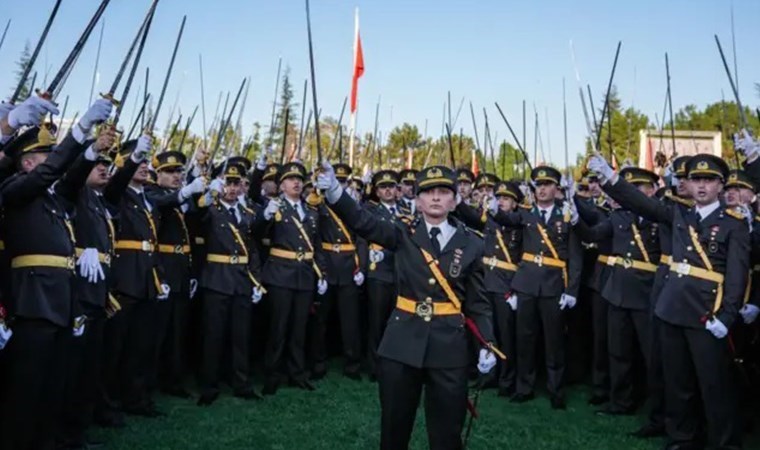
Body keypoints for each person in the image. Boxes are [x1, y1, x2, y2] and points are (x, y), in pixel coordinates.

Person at [317, 163, 497, 450]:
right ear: (417, 200)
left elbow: (478, 303)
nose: (436, 198)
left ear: (454, 200)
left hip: (449, 346)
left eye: (443, 192)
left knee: (447, 433)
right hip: (402, 343)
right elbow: (364, 222)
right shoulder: (402, 231)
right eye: (428, 192)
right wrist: (337, 193)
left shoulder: (472, 243)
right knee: (394, 428)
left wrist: (487, 343)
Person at [588, 152, 748, 449]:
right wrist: (611, 179)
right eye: (696, 179)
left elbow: (737, 276)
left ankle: (725, 443)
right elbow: (641, 203)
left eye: (709, 181)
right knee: (678, 382)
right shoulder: (678, 213)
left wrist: (727, 316)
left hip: (706, 314)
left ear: (721, 186)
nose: (701, 186)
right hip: (671, 309)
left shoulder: (733, 223)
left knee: (714, 386)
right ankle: (681, 437)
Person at [0, 97, 111, 450]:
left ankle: (49, 442)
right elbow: (53, 172)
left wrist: (89, 148)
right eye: (47, 158)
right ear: (28, 163)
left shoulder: (52, 198)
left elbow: (71, 176)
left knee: (53, 385)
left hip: (60, 300)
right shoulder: (16, 189)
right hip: (33, 301)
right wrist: (77, 132)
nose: (54, 163)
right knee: (27, 389)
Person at [489, 166, 583, 409]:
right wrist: (492, 209)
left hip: (553, 286)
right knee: (525, 339)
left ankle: (556, 390)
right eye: (537, 185)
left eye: (547, 184)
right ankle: (524, 387)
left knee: (554, 342)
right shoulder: (525, 214)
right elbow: (506, 218)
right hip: (527, 284)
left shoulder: (566, 216)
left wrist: (571, 290)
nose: (541, 189)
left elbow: (575, 257)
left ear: (556, 188)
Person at [574, 167, 661, 417]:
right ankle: (620, 401)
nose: (631, 194)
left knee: (651, 355)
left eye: (638, 189)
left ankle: (657, 408)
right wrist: (575, 221)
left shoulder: (660, 215)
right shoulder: (619, 216)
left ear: (652, 190)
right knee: (618, 351)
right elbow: (592, 234)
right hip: (618, 291)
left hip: (647, 292)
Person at [196, 163, 264, 405]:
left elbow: (252, 250)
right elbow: (195, 217)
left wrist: (256, 280)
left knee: (240, 336)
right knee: (213, 336)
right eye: (228, 183)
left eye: (236, 183)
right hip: (217, 278)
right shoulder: (210, 211)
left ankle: (241, 384)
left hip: (241, 281)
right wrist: (206, 193)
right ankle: (209, 386)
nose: (233, 188)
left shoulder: (247, 215)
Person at [259, 161, 328, 395]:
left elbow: (316, 245)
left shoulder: (311, 210)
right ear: (281, 185)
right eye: (290, 179)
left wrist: (322, 272)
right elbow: (256, 234)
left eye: (299, 179)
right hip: (280, 273)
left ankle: (297, 374)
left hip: (305, 275)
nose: (296, 183)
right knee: (278, 328)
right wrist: (265, 216)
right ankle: (272, 375)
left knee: (299, 329)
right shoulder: (275, 208)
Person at [146, 151, 205, 398]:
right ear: (157, 174)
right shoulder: (152, 193)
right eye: (170, 172)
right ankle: (149, 382)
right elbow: (165, 202)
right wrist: (186, 191)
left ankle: (173, 379)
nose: (176, 176)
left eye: (179, 172)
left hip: (181, 268)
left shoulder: (183, 199)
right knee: (156, 332)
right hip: (163, 267)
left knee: (177, 330)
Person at [456, 181, 523, 397]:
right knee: (486, 333)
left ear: (515, 203)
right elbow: (472, 218)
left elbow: (524, 258)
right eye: (499, 198)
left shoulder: (520, 223)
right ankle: (487, 375)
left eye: (506, 199)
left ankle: (507, 379)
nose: (501, 202)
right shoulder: (490, 220)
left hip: (506, 284)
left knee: (506, 335)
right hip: (486, 281)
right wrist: (458, 201)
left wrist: (516, 289)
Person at [309, 163, 365, 381]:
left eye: (343, 182)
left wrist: (360, 267)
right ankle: (318, 363)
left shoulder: (352, 206)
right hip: (327, 264)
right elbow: (314, 237)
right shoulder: (320, 204)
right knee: (320, 320)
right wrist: (320, 270)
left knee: (351, 321)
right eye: (337, 181)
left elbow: (361, 237)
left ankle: (353, 364)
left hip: (349, 267)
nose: (340, 185)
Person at [363, 170, 404, 381]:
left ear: (397, 190)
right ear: (377, 191)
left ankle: (394, 364)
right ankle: (375, 367)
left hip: (401, 273)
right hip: (379, 272)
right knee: (377, 322)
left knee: (397, 323)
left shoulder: (406, 210)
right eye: (383, 187)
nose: (388, 190)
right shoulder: (370, 211)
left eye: (391, 186)